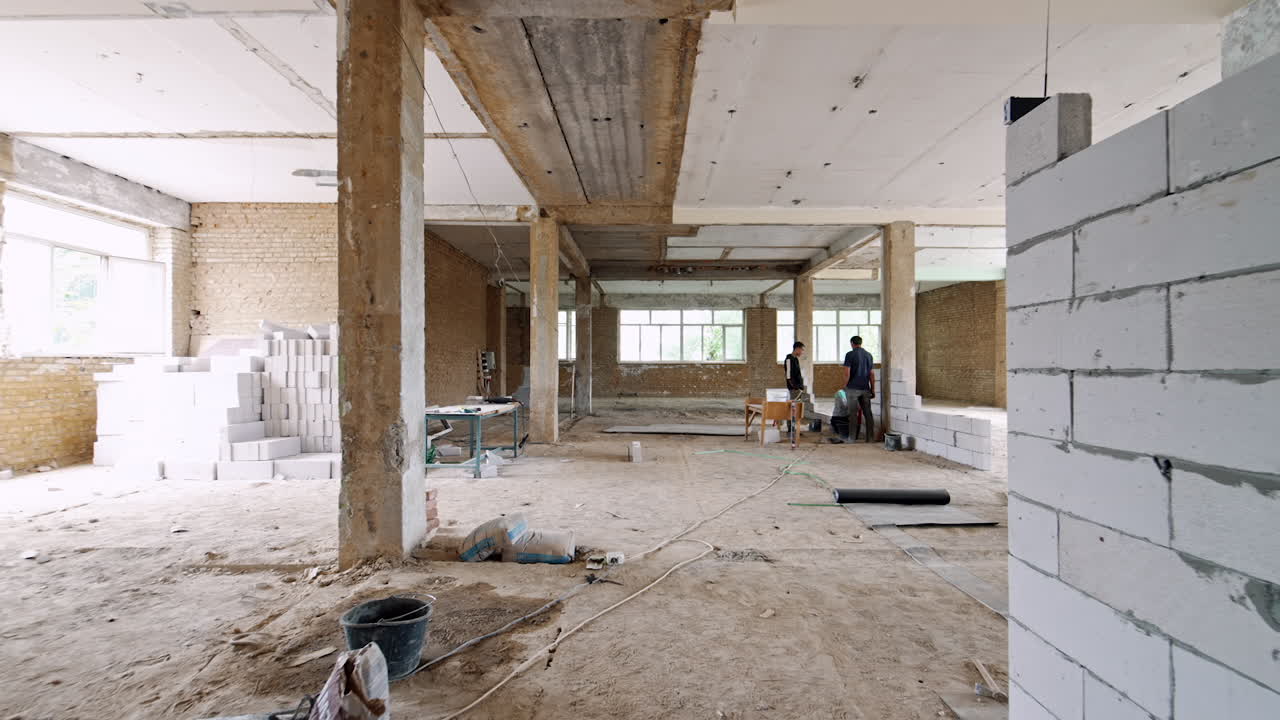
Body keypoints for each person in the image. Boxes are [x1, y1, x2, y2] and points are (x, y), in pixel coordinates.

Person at [842, 335, 876, 442]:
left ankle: (852, 438)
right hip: (865, 388)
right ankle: (870, 438)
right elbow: (871, 374)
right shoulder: (869, 355)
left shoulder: (849, 355)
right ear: (861, 343)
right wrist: (873, 389)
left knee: (853, 414)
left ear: (852, 343)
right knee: (868, 413)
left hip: (852, 388)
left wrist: (844, 386)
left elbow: (847, 373)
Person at [782, 341, 806, 433]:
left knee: (796, 410)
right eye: (802, 350)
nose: (802, 352)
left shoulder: (796, 359)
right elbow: (788, 376)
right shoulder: (789, 359)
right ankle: (790, 429)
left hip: (798, 389)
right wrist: (795, 387)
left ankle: (794, 428)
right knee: (792, 409)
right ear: (797, 348)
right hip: (793, 389)